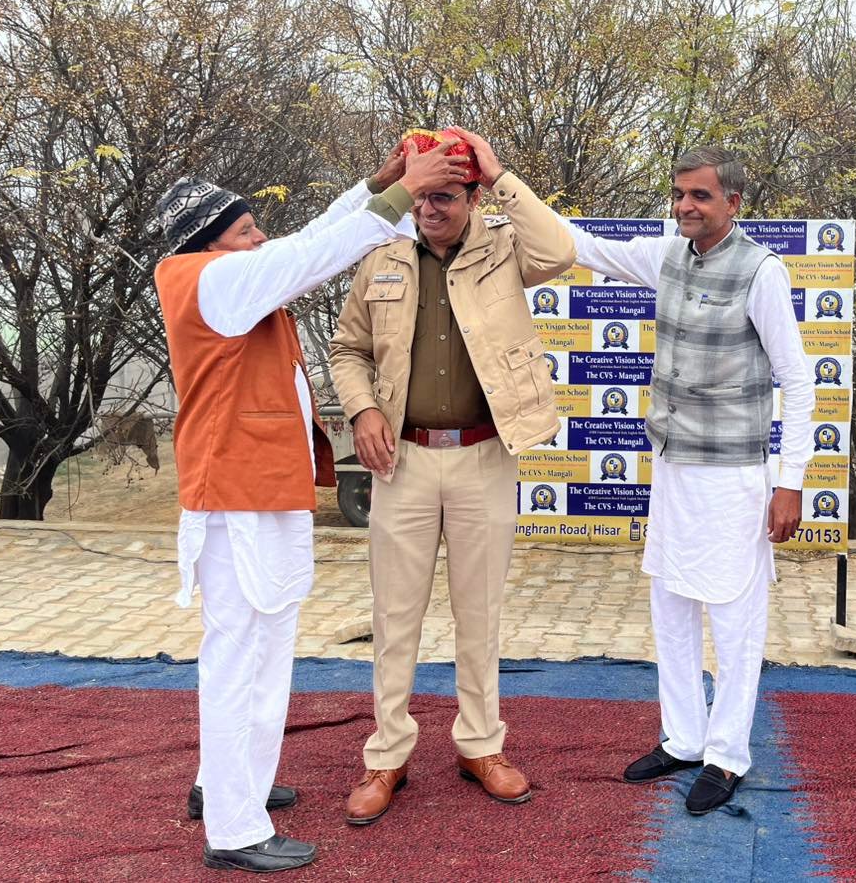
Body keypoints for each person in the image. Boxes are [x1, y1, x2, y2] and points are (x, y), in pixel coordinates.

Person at [154, 137, 472, 873]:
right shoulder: (213, 279)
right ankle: (235, 828)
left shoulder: (223, 273)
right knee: (242, 654)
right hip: (239, 497)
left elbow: (305, 241)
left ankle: (229, 782)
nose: (260, 237)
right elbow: (310, 254)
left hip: (256, 491)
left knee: (261, 647)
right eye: (245, 230)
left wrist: (378, 185)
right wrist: (401, 194)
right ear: (211, 242)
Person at [556, 146, 815, 815]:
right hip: (671, 466)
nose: (685, 206)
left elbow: (798, 380)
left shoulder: (762, 270)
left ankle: (727, 755)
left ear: (733, 201)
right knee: (670, 605)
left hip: (733, 476)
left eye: (700, 195)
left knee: (733, 619)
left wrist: (790, 482)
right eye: (678, 194)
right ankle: (683, 737)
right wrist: (501, 182)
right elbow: (583, 244)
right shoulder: (667, 254)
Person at [329, 127, 574, 824]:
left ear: (472, 197)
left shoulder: (503, 247)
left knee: (480, 611)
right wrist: (363, 409)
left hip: (484, 455)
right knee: (394, 615)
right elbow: (347, 349)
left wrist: (498, 171)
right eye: (419, 194)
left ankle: (480, 745)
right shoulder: (380, 253)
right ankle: (387, 755)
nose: (428, 208)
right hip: (401, 460)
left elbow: (559, 250)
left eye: (444, 195)